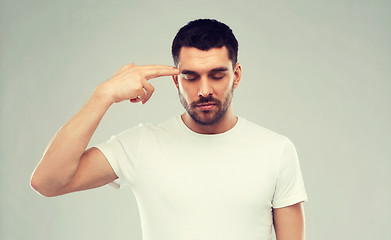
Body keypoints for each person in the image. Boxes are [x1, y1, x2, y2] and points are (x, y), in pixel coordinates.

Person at [31, 19, 308, 240]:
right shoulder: (142, 145)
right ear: (176, 81)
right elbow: (47, 182)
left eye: (217, 75)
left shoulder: (275, 150)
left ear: (235, 75)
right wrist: (103, 95)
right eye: (190, 77)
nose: (204, 90)